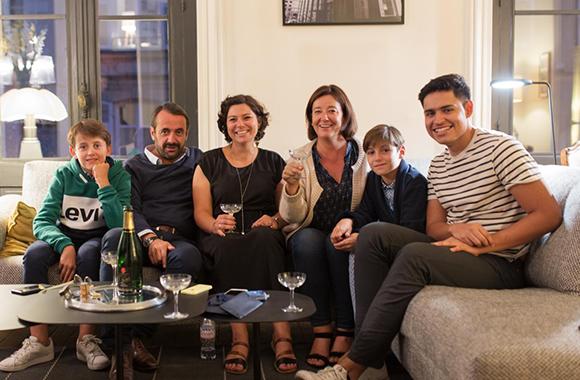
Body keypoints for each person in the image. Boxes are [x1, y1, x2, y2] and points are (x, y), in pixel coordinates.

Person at [295, 73, 563, 380]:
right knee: (373, 233)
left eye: (447, 110)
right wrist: (457, 229)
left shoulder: (501, 148)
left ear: (469, 108)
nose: (438, 119)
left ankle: (351, 367)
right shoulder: (440, 164)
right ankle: (373, 358)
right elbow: (435, 227)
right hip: (460, 252)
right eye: (430, 113)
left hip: (502, 262)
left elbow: (548, 214)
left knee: (414, 256)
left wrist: (490, 241)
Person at [0, 120, 131, 373]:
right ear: (73, 151)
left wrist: (103, 183)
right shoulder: (63, 175)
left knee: (89, 253)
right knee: (35, 254)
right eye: (83, 146)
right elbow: (42, 221)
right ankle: (39, 341)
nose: (90, 152)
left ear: (108, 148)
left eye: (97, 145)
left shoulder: (119, 176)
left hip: (97, 237)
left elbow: (119, 224)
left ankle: (86, 339)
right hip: (64, 236)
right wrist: (64, 244)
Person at [192, 94, 297, 375]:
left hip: (263, 230)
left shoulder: (274, 161)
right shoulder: (208, 162)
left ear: (258, 122)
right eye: (233, 119)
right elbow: (200, 212)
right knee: (227, 245)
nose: (240, 124)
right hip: (222, 231)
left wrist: (274, 219)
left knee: (264, 240)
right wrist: (214, 224)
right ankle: (240, 338)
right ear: (225, 125)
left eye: (246, 117)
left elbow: (285, 208)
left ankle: (281, 333)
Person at [100, 102, 204, 379]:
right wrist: (151, 239)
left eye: (179, 132)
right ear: (152, 132)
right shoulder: (133, 166)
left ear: (187, 134)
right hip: (140, 236)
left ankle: (134, 339)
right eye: (166, 131)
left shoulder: (199, 161)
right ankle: (119, 347)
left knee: (189, 258)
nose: (172, 139)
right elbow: (129, 209)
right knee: (113, 238)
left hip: (180, 240)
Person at [280, 84, 368, 369]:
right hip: (309, 229)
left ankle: (345, 329)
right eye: (317, 112)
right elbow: (293, 216)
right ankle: (321, 330)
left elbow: (374, 203)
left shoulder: (365, 155)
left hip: (350, 229)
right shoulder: (300, 158)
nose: (324, 117)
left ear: (345, 115)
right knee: (307, 241)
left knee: (337, 244)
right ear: (310, 118)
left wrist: (354, 227)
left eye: (332, 110)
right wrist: (291, 187)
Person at [330, 124, 427, 310]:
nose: (377, 158)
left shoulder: (414, 182)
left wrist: (366, 240)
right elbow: (366, 212)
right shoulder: (373, 180)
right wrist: (348, 220)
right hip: (386, 243)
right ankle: (357, 322)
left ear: (401, 152)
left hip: (412, 247)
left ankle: (363, 325)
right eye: (371, 152)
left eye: (385, 150)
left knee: (361, 248)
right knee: (347, 250)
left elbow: (411, 231)